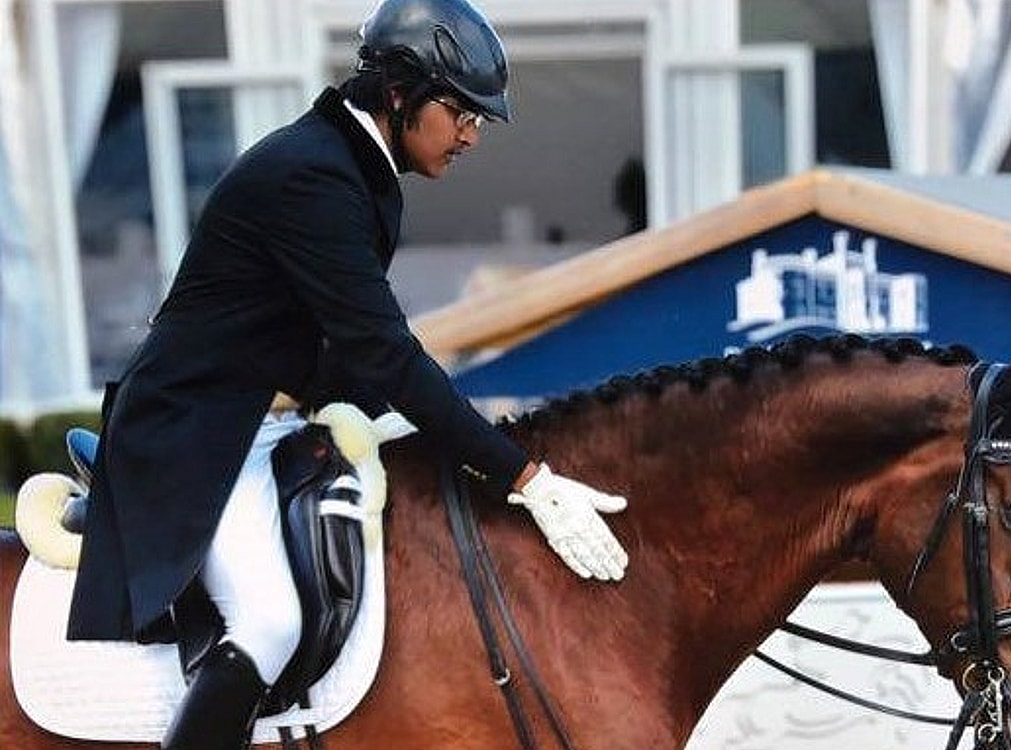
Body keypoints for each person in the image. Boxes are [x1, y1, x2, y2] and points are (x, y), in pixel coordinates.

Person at [65, 1, 630, 748]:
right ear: (399, 94)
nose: (472, 132)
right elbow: (385, 354)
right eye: (461, 110)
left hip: (269, 424)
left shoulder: (355, 171)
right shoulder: (311, 177)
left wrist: (430, 432)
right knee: (269, 621)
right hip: (196, 434)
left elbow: (343, 354)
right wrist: (523, 476)